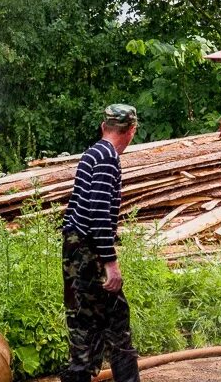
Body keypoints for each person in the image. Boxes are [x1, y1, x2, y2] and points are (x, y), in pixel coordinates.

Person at [60, 104, 141, 382]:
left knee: (83, 325)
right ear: (131, 131)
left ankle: (77, 375)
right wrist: (110, 262)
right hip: (88, 252)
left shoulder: (92, 153)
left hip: (73, 249)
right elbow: (98, 214)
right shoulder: (108, 158)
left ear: (103, 126)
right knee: (117, 323)